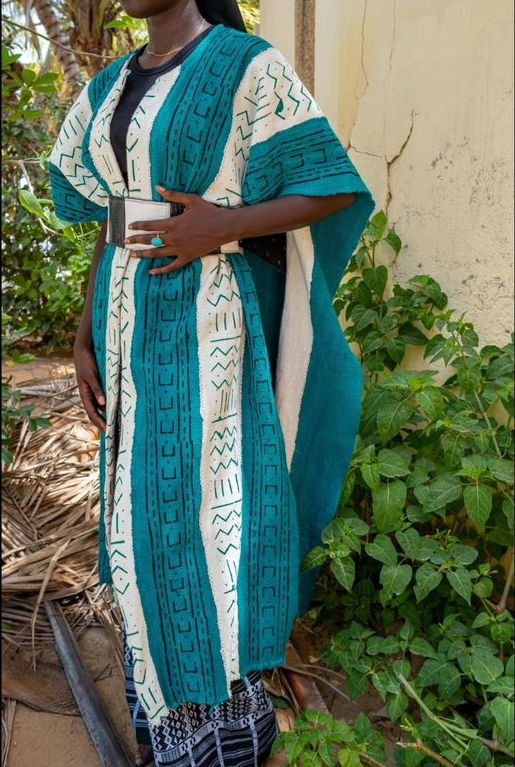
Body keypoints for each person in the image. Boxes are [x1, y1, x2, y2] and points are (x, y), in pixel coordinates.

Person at [48, 1, 375, 764]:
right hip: (126, 325)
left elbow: (331, 185)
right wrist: (84, 330)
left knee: (207, 512)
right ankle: (167, 717)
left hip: (206, 324)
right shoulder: (108, 86)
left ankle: (224, 731)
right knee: (140, 514)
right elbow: (111, 213)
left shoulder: (243, 64)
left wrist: (223, 224)